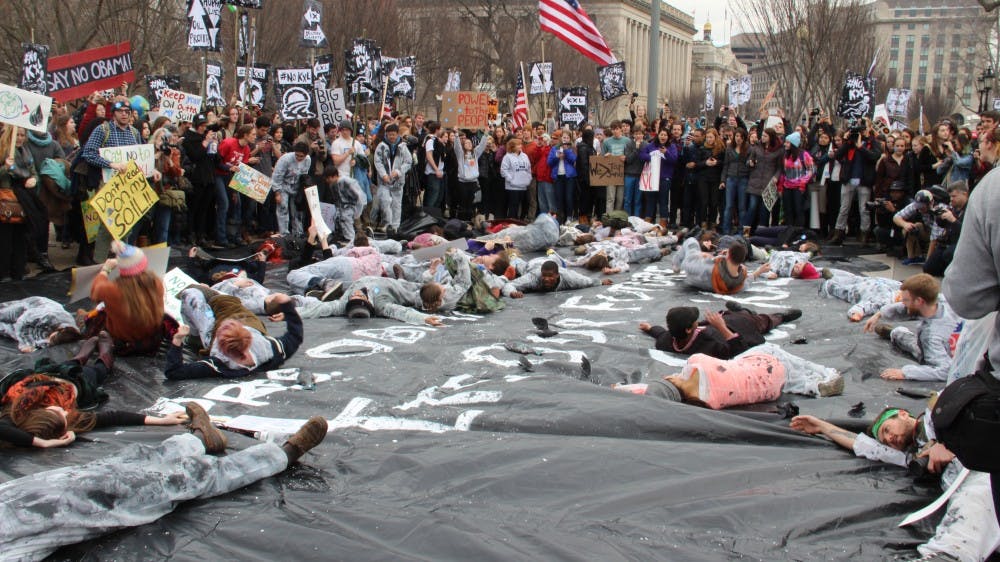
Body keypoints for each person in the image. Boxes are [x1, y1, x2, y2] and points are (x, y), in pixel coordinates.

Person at [0, 403, 328, 562]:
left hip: (30, 491)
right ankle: (283, 453)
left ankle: (199, 440)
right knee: (176, 481)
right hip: (71, 508)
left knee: (131, 458)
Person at [790, 410, 999, 562]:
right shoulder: (915, 455)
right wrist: (822, 426)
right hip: (967, 489)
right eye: (886, 439)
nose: (890, 438)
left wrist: (947, 443)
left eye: (888, 429)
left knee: (976, 496)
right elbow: (867, 447)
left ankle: (949, 555)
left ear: (902, 414)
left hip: (983, 470)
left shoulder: (939, 416)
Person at [612, 342, 844, 407]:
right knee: (773, 353)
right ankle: (824, 374)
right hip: (767, 362)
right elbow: (657, 388)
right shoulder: (697, 362)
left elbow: (654, 393)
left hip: (772, 389)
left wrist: (621, 390)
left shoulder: (707, 403)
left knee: (780, 380)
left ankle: (809, 386)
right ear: (672, 380)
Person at [168, 287, 302, 380]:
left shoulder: (219, 363)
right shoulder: (270, 349)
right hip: (246, 320)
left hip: (217, 325)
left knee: (190, 294)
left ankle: (196, 335)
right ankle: (215, 295)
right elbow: (295, 335)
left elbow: (174, 372)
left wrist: (177, 340)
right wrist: (287, 305)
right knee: (227, 301)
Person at [864, 273, 962, 382]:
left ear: (919, 301)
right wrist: (880, 313)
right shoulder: (943, 301)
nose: (903, 303)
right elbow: (908, 307)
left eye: (905, 300)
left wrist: (905, 373)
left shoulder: (931, 338)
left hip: (954, 358)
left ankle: (896, 333)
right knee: (911, 339)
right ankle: (895, 333)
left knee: (913, 346)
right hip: (960, 345)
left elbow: (945, 371)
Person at [88, 241, 171, 355]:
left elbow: (95, 291)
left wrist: (105, 270)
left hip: (120, 342)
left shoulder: (112, 290)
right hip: (151, 341)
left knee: (93, 315)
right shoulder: (156, 283)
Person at [639, 303, 800, 359]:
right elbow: (741, 352)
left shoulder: (668, 340)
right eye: (694, 320)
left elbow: (661, 334)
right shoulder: (712, 343)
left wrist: (650, 328)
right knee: (762, 321)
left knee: (737, 313)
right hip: (738, 327)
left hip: (719, 320)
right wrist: (721, 327)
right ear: (689, 329)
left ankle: (743, 310)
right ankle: (781, 317)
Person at [830, 122, 881, 244]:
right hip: (848, 179)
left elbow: (875, 156)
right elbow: (837, 155)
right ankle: (839, 232)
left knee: (864, 209)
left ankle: (864, 233)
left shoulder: (871, 142)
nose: (860, 133)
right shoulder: (849, 143)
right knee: (844, 208)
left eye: (862, 130)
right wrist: (846, 141)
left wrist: (861, 147)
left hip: (864, 180)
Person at [321, 277, 445, 326]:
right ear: (367, 301)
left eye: (354, 297)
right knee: (416, 294)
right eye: (360, 296)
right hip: (394, 288)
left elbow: (318, 309)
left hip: (373, 279)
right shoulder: (381, 305)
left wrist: (300, 309)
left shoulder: (343, 303)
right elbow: (401, 311)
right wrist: (423, 318)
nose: (357, 293)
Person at [671, 235, 770, 295]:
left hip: (697, 275)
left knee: (691, 241)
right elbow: (747, 281)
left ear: (729, 255)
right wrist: (759, 271)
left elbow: (688, 265)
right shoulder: (739, 283)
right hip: (710, 278)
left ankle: (675, 265)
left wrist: (702, 257)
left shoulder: (708, 270)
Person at [0, 296, 80, 353]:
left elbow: (47, 341)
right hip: (32, 307)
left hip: (40, 325)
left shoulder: (71, 333)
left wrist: (34, 347)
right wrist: (24, 343)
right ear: (59, 330)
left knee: (6, 330)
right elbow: (22, 321)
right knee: (3, 314)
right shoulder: (49, 316)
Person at [818, 268, 902, 322]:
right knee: (851, 283)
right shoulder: (885, 300)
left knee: (847, 287)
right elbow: (865, 306)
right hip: (873, 284)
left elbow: (864, 306)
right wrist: (856, 313)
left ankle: (831, 280)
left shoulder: (884, 300)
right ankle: (832, 279)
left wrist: (856, 313)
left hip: (866, 287)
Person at [374, 124, 414, 231]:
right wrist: (384, 174)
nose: (392, 137)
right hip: (384, 181)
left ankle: (396, 226)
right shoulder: (381, 146)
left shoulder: (403, 146)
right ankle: (387, 224)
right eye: (389, 134)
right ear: (386, 134)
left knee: (397, 204)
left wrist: (398, 172)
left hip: (398, 181)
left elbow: (408, 161)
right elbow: (378, 162)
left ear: (397, 134)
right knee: (386, 202)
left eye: (393, 134)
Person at [501, 259, 612, 298]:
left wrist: (601, 282)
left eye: (550, 276)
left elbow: (586, 281)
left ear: (557, 275)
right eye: (544, 276)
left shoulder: (570, 278)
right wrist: (512, 293)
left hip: (554, 262)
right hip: (533, 264)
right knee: (516, 265)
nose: (546, 279)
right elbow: (509, 285)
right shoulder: (534, 277)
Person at [923, 180, 968, 277]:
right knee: (928, 268)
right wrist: (939, 216)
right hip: (947, 242)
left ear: (964, 194)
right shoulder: (954, 207)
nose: (951, 199)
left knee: (948, 254)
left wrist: (953, 220)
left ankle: (958, 274)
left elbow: (966, 232)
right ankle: (947, 270)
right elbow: (942, 225)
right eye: (950, 196)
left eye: (954, 196)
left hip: (962, 244)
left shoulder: (970, 209)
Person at [271, 141, 312, 237]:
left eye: (301, 156)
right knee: (283, 208)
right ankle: (284, 233)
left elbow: (304, 175)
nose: (298, 158)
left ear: (306, 155)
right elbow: (277, 176)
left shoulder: (308, 160)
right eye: (297, 155)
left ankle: (298, 232)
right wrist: (277, 192)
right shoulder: (285, 159)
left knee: (297, 210)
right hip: (283, 186)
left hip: (297, 186)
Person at [778, 132, 814, 228]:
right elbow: (783, 172)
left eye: (788, 143)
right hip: (787, 186)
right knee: (788, 210)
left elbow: (811, 170)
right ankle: (789, 231)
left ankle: (798, 231)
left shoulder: (804, 155)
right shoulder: (785, 155)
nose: (785, 144)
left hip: (798, 187)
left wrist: (803, 181)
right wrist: (780, 187)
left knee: (798, 210)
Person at [893, 188, 936, 266]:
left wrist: (928, 261)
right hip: (928, 230)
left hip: (941, 234)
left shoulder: (939, 208)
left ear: (930, 203)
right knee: (913, 227)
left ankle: (930, 257)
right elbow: (896, 217)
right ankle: (915, 256)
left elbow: (935, 237)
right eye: (918, 207)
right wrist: (905, 224)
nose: (920, 209)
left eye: (922, 207)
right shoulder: (916, 206)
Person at [547, 131, 578, 223]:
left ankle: (569, 216)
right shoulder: (554, 148)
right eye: (564, 138)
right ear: (561, 138)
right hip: (558, 176)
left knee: (568, 197)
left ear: (570, 139)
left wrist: (567, 151)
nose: (565, 139)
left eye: (567, 138)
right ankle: (561, 217)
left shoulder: (572, 149)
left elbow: (574, 160)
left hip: (569, 176)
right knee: (559, 198)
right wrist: (557, 158)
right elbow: (549, 162)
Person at [500, 138, 532, 219]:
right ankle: (511, 224)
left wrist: (528, 179)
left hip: (524, 186)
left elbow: (528, 169)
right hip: (512, 187)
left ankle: (521, 222)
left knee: (526, 205)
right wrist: (511, 179)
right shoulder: (507, 157)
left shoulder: (524, 156)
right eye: (518, 145)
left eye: (520, 144)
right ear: (512, 146)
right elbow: (503, 170)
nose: (520, 146)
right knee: (513, 208)